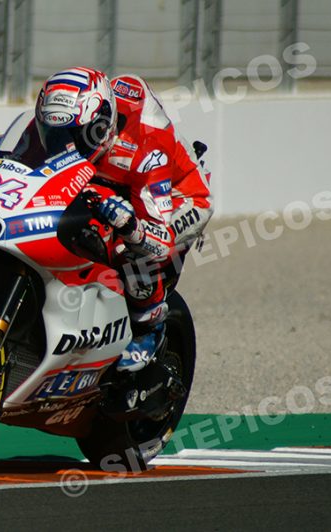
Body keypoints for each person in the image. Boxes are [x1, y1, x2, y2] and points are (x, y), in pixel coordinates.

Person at [33, 67, 214, 372]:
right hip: (112, 182)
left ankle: (149, 326)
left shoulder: (146, 149)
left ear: (102, 126)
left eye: (75, 136)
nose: (65, 144)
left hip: (180, 197)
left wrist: (129, 226)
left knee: (130, 250)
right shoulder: (65, 116)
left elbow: (158, 241)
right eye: (55, 135)